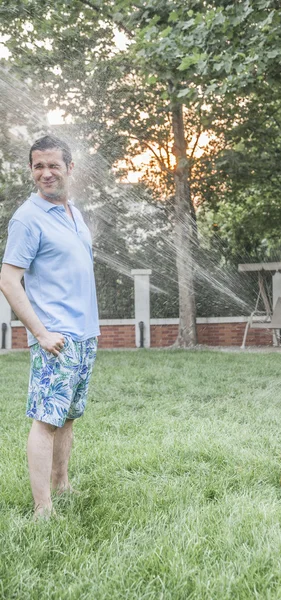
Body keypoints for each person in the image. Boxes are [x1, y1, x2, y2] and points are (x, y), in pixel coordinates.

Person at [0, 135, 100, 518]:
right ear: (31, 170)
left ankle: (61, 483)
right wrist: (41, 334)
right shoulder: (27, 218)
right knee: (45, 420)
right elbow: (8, 280)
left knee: (68, 416)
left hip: (83, 335)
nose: (45, 173)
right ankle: (43, 507)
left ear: (69, 168)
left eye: (53, 165)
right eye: (38, 166)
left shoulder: (73, 211)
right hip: (55, 337)